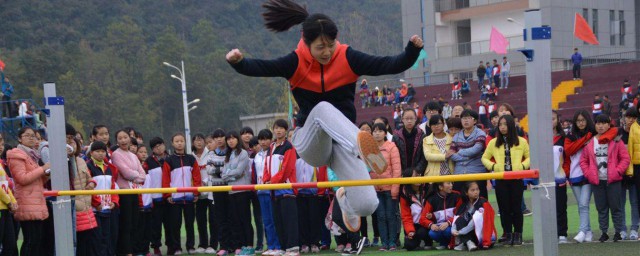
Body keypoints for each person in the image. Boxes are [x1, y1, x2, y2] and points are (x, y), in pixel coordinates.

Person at [227, 0, 425, 226]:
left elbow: (388, 65)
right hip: (312, 142)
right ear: (306, 42)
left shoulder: (347, 57)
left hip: (341, 145)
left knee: (368, 204)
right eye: (320, 47)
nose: (327, 52)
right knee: (322, 109)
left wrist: (412, 51)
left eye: (330, 45)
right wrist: (239, 63)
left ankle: (345, 199)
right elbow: (262, 67)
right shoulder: (295, 62)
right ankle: (360, 147)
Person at [580, 114, 630, 242]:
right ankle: (604, 232)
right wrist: (589, 174)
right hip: (597, 181)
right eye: (598, 123)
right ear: (595, 125)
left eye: (603, 123)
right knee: (601, 208)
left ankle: (618, 232)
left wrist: (617, 172)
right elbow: (583, 161)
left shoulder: (616, 140)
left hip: (613, 180)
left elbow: (625, 158)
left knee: (616, 207)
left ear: (609, 125)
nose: (600, 126)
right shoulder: (590, 142)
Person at [482, 115, 530, 246]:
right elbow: (484, 158)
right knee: (504, 209)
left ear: (511, 125)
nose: (502, 127)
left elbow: (530, 157)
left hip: (516, 179)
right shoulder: (493, 142)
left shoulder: (521, 141)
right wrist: (494, 167)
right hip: (501, 179)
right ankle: (508, 234)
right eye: (500, 125)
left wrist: (522, 167)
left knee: (516, 208)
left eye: (505, 124)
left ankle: (518, 234)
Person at [7, 127, 51, 255]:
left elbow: (38, 181)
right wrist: (43, 169)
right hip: (27, 203)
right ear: (20, 138)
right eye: (28, 135)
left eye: (34, 136)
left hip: (36, 202)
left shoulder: (32, 156)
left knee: (37, 241)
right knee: (30, 241)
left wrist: (46, 174)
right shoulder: (16, 155)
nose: (32, 138)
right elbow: (22, 178)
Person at [264, 120, 300, 256]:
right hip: (274, 190)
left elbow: (287, 169)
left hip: (286, 189)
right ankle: (283, 247)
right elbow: (267, 167)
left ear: (286, 130)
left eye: (281, 128)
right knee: (278, 220)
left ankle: (293, 248)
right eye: (276, 128)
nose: (278, 131)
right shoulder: (271, 147)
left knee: (289, 220)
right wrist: (267, 180)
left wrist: (272, 181)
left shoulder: (289, 147)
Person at [111, 129, 147, 256]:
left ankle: (133, 249)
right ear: (117, 141)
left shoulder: (133, 155)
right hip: (124, 192)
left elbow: (143, 175)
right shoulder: (116, 154)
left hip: (134, 192)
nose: (123, 140)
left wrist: (135, 176)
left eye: (125, 137)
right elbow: (125, 173)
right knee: (126, 224)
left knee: (134, 223)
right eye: (120, 138)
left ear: (130, 139)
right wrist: (136, 175)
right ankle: (126, 251)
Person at [564, 110, 596, 243]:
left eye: (583, 120)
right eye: (578, 121)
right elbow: (569, 150)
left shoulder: (594, 134)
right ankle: (588, 231)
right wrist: (585, 139)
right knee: (581, 205)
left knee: (583, 204)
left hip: (589, 173)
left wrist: (589, 137)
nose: (581, 123)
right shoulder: (571, 136)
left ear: (587, 120)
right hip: (575, 174)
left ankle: (582, 231)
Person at [221, 131, 254, 255]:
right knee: (236, 220)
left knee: (245, 219)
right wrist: (231, 174)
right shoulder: (228, 155)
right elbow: (223, 175)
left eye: (233, 138)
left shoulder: (243, 153)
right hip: (231, 192)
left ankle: (249, 246)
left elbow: (239, 171)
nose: (230, 141)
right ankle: (241, 245)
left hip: (243, 191)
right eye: (228, 139)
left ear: (237, 139)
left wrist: (229, 174)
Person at [370, 123, 401, 251]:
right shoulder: (370, 149)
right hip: (376, 189)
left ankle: (392, 242)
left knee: (390, 216)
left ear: (385, 132)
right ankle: (384, 243)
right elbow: (369, 170)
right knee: (380, 217)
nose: (377, 133)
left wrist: (395, 189)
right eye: (375, 131)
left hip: (389, 188)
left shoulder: (391, 147)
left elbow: (397, 169)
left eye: (380, 131)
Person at [252, 129, 283, 256]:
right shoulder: (257, 156)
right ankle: (271, 246)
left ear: (271, 140)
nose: (263, 142)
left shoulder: (274, 153)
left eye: (266, 139)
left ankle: (279, 246)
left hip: (272, 191)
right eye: (261, 139)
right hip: (261, 192)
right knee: (267, 221)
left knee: (275, 220)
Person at [87, 141, 120, 256]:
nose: (101, 154)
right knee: (97, 238)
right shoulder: (88, 166)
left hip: (107, 208)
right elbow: (89, 188)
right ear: (91, 152)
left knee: (107, 237)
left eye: (103, 151)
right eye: (97, 151)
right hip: (95, 209)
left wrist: (114, 202)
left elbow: (113, 187)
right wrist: (96, 203)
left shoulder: (109, 168)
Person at [449, 109, 488, 199]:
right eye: (463, 118)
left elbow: (476, 150)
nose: (465, 120)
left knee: (480, 202)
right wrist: (469, 157)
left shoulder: (480, 133)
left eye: (468, 118)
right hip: (459, 173)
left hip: (476, 172)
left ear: (474, 121)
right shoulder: (456, 136)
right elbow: (452, 155)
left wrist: (460, 152)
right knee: (460, 202)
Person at [451, 181, 497, 251]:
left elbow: (475, 222)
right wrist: (453, 230)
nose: (476, 192)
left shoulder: (483, 202)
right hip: (470, 232)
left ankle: (467, 242)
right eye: (472, 190)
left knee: (472, 219)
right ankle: (468, 242)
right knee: (461, 219)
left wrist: (460, 232)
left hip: (483, 233)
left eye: (477, 189)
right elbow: (457, 218)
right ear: (466, 193)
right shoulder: (465, 204)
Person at [191, 134, 217, 254]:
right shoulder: (191, 156)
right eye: (196, 140)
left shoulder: (211, 153)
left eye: (201, 140)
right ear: (193, 142)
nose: (199, 142)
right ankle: (202, 244)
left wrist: (206, 183)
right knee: (200, 220)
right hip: (198, 193)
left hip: (211, 191)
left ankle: (213, 244)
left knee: (213, 219)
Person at [420, 182, 461, 250]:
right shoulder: (432, 199)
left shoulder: (456, 195)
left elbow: (460, 213)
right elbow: (422, 218)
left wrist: (448, 222)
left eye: (451, 183)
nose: (451, 185)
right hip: (439, 226)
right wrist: (431, 225)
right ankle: (444, 243)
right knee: (432, 233)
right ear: (440, 187)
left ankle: (453, 242)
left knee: (447, 231)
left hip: (453, 225)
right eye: (448, 183)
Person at [620, 108, 640, 240]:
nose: (631, 120)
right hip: (620, 174)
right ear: (623, 118)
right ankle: (622, 229)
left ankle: (634, 228)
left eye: (633, 117)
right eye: (628, 117)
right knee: (620, 203)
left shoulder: (637, 132)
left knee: (635, 202)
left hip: (634, 172)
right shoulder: (617, 134)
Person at [399, 169, 429, 251]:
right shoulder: (404, 195)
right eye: (415, 176)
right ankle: (417, 240)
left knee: (422, 232)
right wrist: (410, 231)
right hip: (413, 224)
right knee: (409, 245)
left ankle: (427, 241)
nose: (418, 177)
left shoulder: (427, 189)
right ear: (408, 179)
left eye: (419, 175)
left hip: (427, 222)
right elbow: (406, 216)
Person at [551, 111, 569, 244]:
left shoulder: (563, 138)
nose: (550, 121)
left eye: (553, 119)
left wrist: (565, 174)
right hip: (544, 179)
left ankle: (562, 233)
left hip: (559, 178)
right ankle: (549, 233)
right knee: (546, 207)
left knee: (560, 206)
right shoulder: (539, 138)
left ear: (557, 120)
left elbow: (568, 159)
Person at [0, 135, 18, 255]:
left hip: (5, 207)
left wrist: (13, 201)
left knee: (10, 245)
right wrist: (9, 201)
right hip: (3, 207)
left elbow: (4, 185)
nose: (0, 146)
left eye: (1, 142)